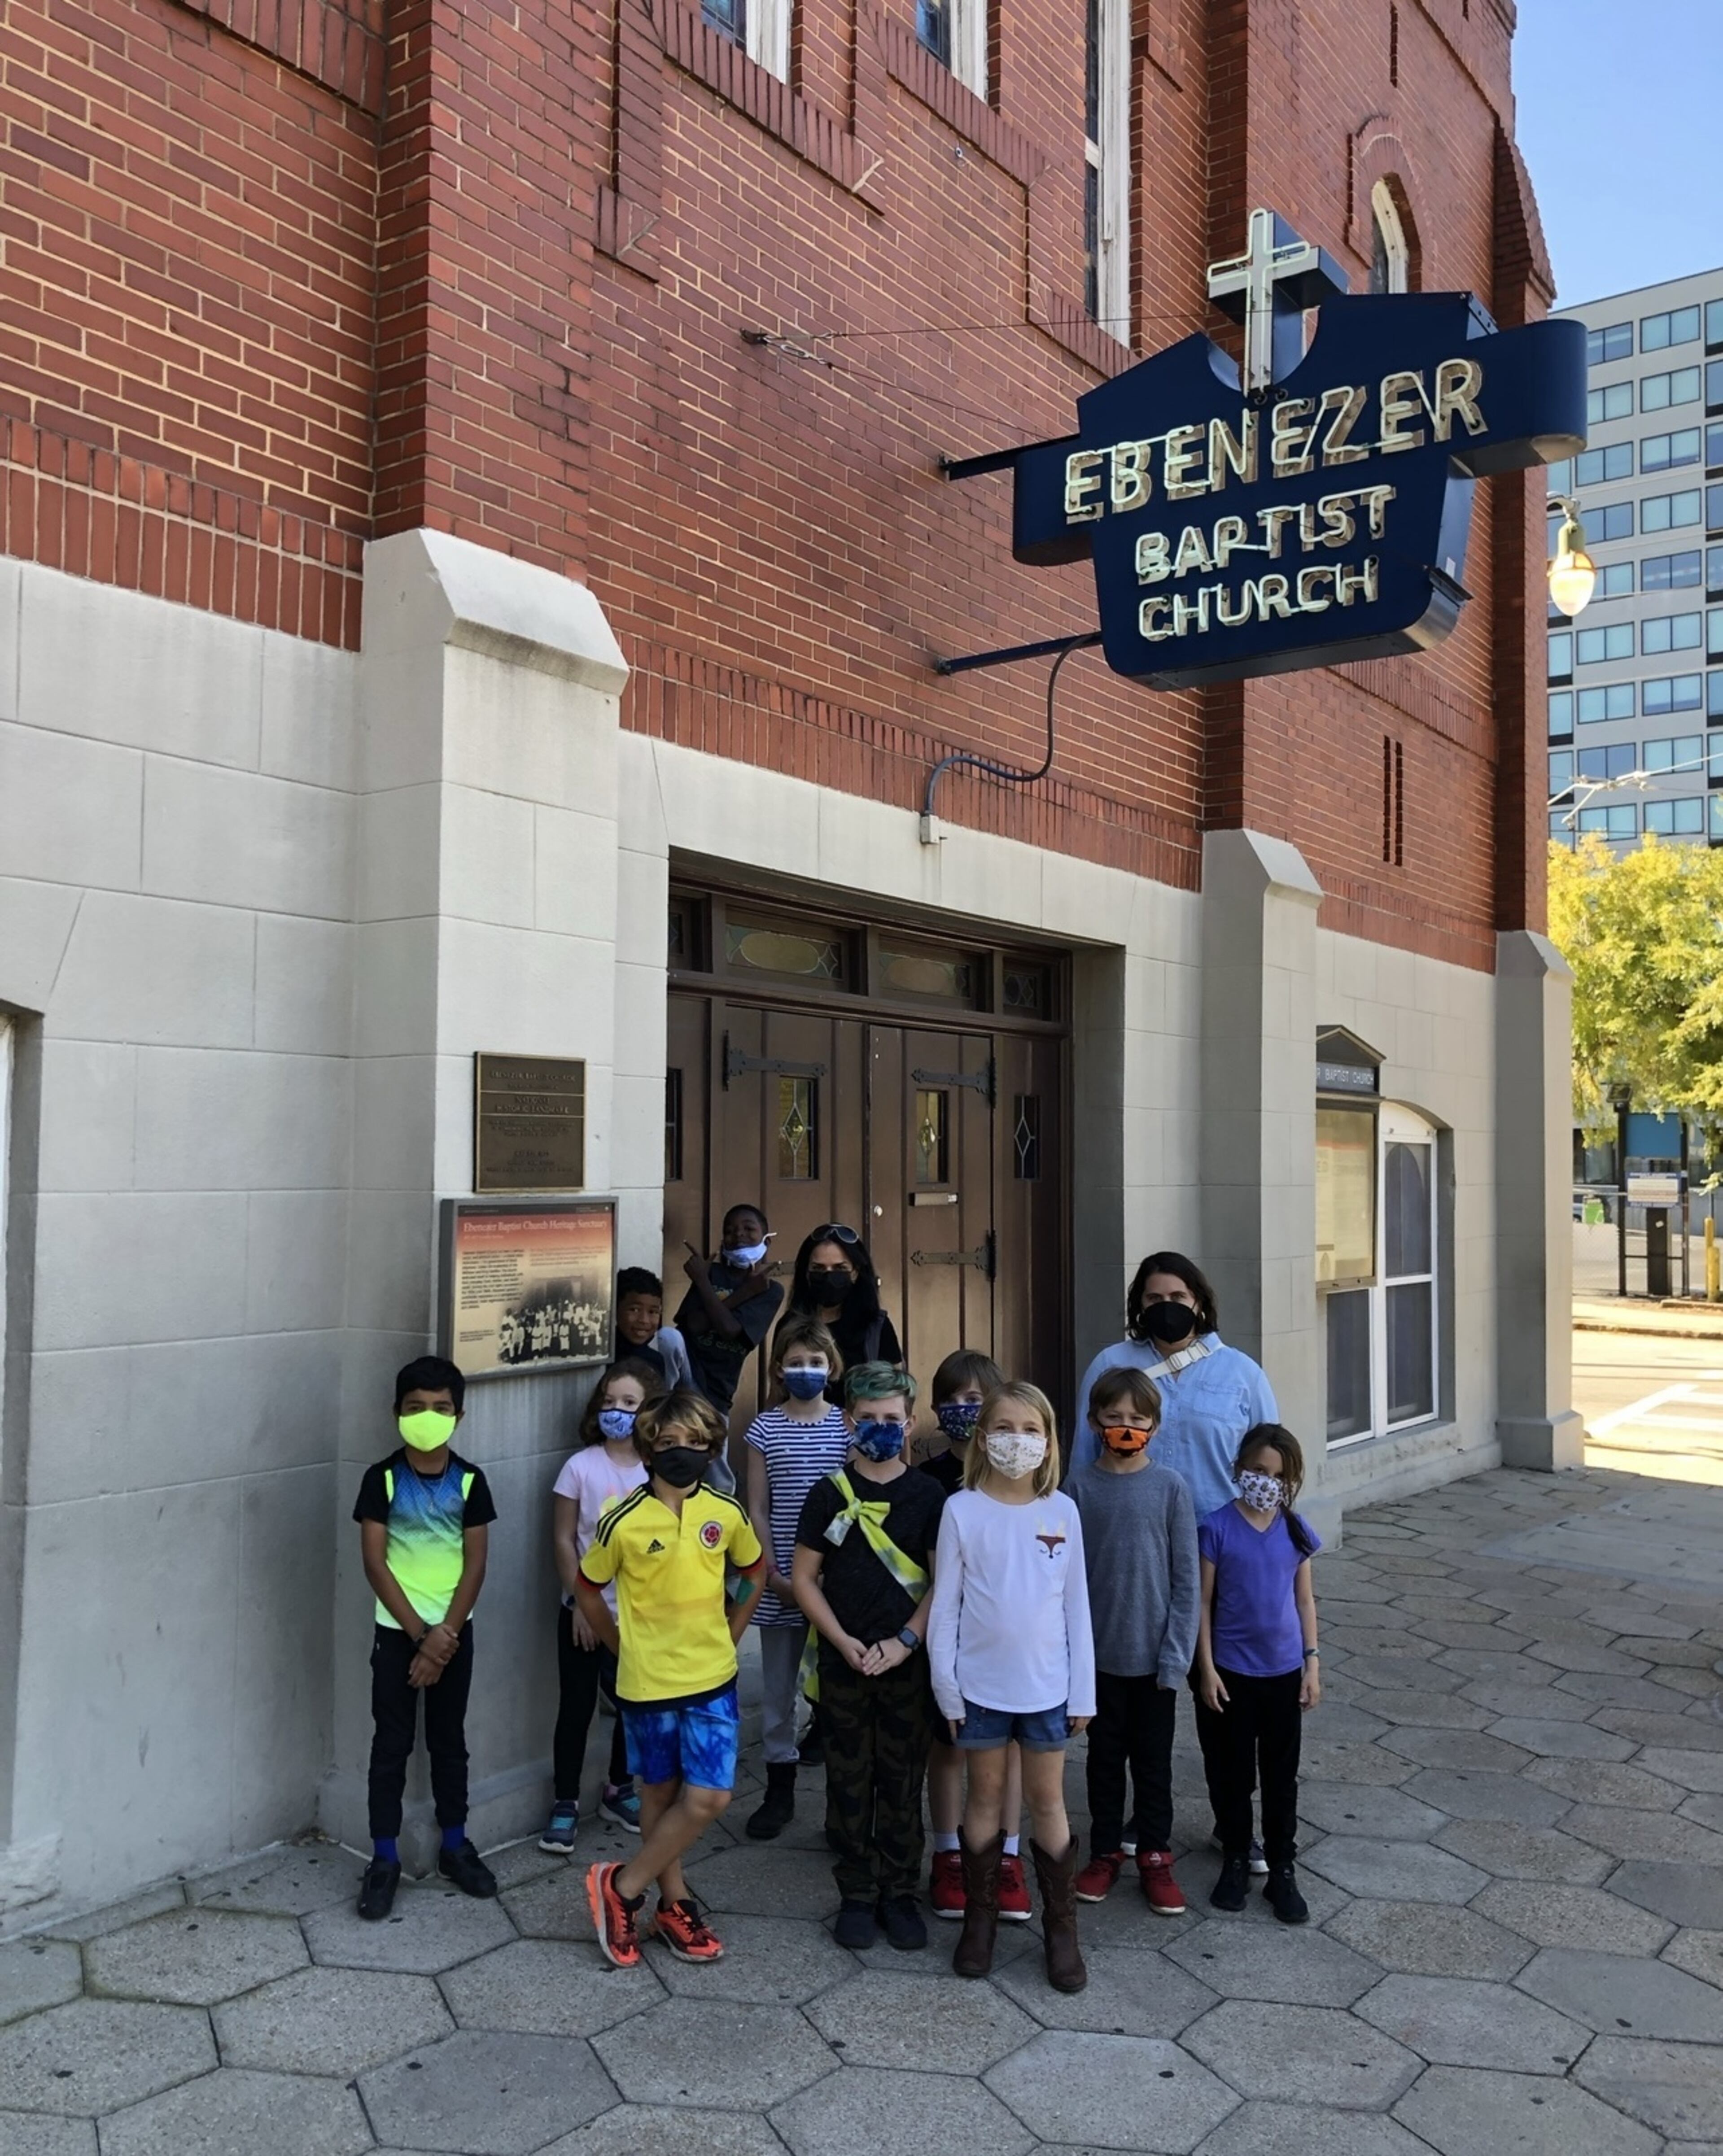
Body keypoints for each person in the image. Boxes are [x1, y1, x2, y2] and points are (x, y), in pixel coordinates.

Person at [579, 1388, 766, 1967]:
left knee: (709, 1795)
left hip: (712, 1678)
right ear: (647, 1450)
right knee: (658, 1794)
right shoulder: (623, 1519)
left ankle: (623, 1886)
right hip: (648, 1684)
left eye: (693, 1441)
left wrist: (732, 1632)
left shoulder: (726, 1512)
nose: (681, 1451)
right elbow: (588, 1585)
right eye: (666, 1443)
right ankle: (674, 1902)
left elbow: (753, 1570)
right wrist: (619, 1644)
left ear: (711, 1447)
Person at [926, 1383, 1094, 1995]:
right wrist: (948, 1689)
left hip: (1047, 1690)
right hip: (980, 1691)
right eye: (1004, 1427)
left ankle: (1061, 1928)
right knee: (984, 1799)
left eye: (1030, 1428)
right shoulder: (962, 1509)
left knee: (1048, 1802)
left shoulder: (1063, 1511)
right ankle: (981, 1918)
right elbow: (945, 1606)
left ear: (1048, 1440)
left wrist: (1083, 1693)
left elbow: (1077, 1605)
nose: (1016, 1440)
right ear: (982, 1435)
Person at [792, 1361, 945, 1951]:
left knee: (904, 1778)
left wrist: (906, 1640)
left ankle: (901, 1892)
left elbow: (943, 1580)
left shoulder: (929, 1494)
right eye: (869, 1418)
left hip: (906, 1658)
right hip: (845, 1656)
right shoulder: (828, 1492)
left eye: (892, 1418)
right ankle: (857, 1892)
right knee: (849, 1777)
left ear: (910, 1425)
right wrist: (842, 1640)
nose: (881, 1427)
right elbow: (805, 1577)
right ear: (850, 1422)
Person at [352, 1356, 499, 1921]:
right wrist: (420, 1636)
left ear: (458, 1415)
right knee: (390, 1747)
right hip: (398, 1636)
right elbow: (374, 1563)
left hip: (453, 1639)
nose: (428, 1418)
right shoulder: (382, 1479)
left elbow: (477, 1565)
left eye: (440, 1409)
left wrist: (445, 1638)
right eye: (416, 1409)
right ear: (397, 1413)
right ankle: (384, 1858)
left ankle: (456, 1847)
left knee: (449, 1743)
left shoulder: (470, 1480)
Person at [1067, 1367, 1199, 1915]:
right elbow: (1066, 1583)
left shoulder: (1170, 1488)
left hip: (1154, 1664)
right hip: (1098, 1663)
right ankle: (1103, 1853)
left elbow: (1187, 1582)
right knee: (1103, 1762)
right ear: (1095, 1421)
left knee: (1153, 1765)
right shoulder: (1076, 1489)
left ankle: (1155, 1856)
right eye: (1115, 1418)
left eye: (1137, 1420)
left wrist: (1176, 1660)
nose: (1126, 1428)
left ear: (1156, 1425)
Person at [918, 1350, 1030, 1925]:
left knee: (1006, 1748)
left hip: (1003, 1640)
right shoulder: (929, 1482)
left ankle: (1006, 1855)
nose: (966, 1410)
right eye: (955, 1400)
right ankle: (947, 1853)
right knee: (950, 1746)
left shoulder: (1017, 1485)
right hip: (948, 1637)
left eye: (978, 1401)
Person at [1194, 1423, 1322, 1925]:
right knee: (1233, 1770)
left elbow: (1305, 1599)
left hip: (1284, 1672)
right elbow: (1202, 1604)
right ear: (1239, 1469)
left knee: (1280, 1773)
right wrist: (1205, 1668)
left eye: (1277, 1475)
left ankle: (1283, 1868)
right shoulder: (1217, 1528)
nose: (1266, 1482)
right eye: (1257, 1471)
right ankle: (1234, 1856)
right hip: (1232, 1671)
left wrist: (1312, 1663)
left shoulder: (1296, 1530)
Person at [540, 1358, 660, 1854]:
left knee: (635, 1706)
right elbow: (565, 1541)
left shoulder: (659, 1471)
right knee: (577, 1707)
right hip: (585, 1614)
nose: (618, 1412)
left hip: (640, 1615)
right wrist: (580, 1602)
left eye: (630, 1404)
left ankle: (620, 1788)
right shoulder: (580, 1467)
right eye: (610, 1402)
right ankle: (565, 1802)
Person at [741, 1317, 850, 1838]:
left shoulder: (847, 1426)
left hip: (835, 1584)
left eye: (816, 1361)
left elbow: (858, 1506)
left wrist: (834, 1575)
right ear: (779, 1368)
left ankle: (841, 1803)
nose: (806, 1370)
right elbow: (757, 1507)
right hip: (781, 1579)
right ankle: (778, 1790)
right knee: (780, 1690)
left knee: (835, 1686)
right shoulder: (764, 1427)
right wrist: (774, 1573)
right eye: (796, 1361)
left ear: (832, 1368)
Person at [1069, 1254, 1278, 1515]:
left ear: (1198, 1302)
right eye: (1155, 1299)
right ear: (1141, 1306)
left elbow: (1272, 1458)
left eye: (1178, 1297)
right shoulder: (1110, 1364)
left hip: (1217, 1535)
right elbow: (1084, 1453)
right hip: (1130, 1526)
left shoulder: (1244, 1373)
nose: (1167, 1306)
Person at [673, 1203, 785, 1418]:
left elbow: (731, 1330)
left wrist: (703, 1282)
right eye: (730, 1231)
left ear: (766, 1240)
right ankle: (661, 1399)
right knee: (669, 1338)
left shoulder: (771, 1291)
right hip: (688, 1373)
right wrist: (706, 1281)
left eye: (749, 1229)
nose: (739, 1235)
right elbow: (695, 1326)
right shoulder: (711, 1273)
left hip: (717, 1394)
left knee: (711, 1448)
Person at [783, 1224, 901, 1400]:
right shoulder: (790, 1324)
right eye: (818, 1269)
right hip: (803, 1426)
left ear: (855, 1273)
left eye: (840, 1269)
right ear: (806, 1274)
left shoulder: (876, 1326)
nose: (829, 1277)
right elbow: (779, 1391)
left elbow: (897, 1390)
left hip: (859, 1425)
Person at [616, 1267, 695, 1390]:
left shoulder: (655, 1360)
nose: (644, 1320)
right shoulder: (606, 1355)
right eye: (635, 1310)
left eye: (653, 1312)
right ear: (615, 1308)